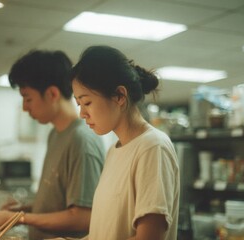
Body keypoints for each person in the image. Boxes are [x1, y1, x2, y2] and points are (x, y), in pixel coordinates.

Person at [0, 50, 105, 240]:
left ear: (52, 93)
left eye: (28, 98)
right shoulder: (55, 135)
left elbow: (83, 217)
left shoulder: (81, 140)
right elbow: (59, 204)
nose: (25, 108)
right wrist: (22, 210)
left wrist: (21, 218)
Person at [71, 45, 180, 240]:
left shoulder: (152, 147)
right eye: (79, 104)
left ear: (120, 96)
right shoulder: (114, 151)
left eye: (87, 102)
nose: (82, 114)